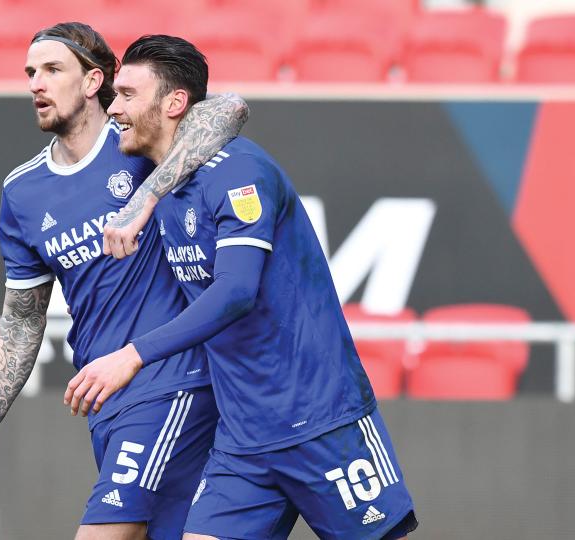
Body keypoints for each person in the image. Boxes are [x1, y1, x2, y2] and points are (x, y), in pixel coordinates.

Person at [65, 35, 418, 539]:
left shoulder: (239, 171)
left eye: (127, 94)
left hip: (320, 419)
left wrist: (133, 355)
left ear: (174, 103)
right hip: (242, 440)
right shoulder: (156, 179)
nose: (114, 106)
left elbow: (235, 291)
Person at [0, 23, 249, 540]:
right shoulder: (22, 192)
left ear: (93, 82)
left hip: (169, 378)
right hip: (105, 399)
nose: (35, 84)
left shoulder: (139, 139)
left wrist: (146, 197)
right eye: (29, 73)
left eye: (51, 70)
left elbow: (230, 109)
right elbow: (23, 318)